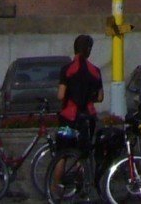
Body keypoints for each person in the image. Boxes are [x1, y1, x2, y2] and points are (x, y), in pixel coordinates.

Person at [51, 35, 103, 196]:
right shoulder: (95, 70)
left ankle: (55, 188)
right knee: (83, 154)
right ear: (89, 50)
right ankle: (81, 188)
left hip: (69, 116)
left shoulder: (67, 69)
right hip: (87, 117)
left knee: (62, 153)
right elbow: (100, 97)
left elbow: (61, 95)